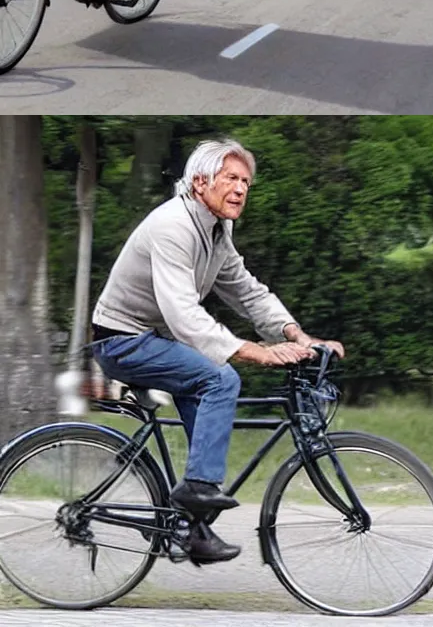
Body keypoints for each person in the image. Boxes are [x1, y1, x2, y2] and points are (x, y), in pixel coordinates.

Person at [88, 140, 344, 564]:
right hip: (121, 340)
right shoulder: (174, 226)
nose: (242, 188)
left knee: (208, 406)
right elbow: (184, 315)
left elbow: (245, 290)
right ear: (200, 181)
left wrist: (298, 336)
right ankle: (197, 495)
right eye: (232, 178)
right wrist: (256, 352)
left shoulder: (214, 229)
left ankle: (191, 527)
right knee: (219, 378)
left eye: (246, 181)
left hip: (155, 338)